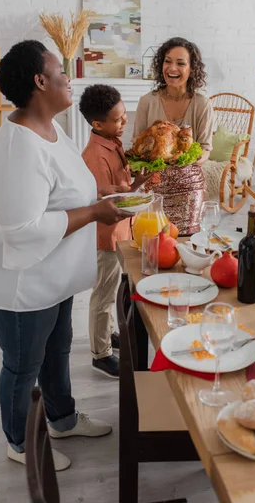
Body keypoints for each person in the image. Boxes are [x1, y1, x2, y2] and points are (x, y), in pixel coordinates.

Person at [0, 41, 134, 471]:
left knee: (57, 348)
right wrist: (95, 212)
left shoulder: (54, 130)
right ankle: (20, 442)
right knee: (23, 364)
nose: (70, 79)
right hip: (22, 282)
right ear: (39, 81)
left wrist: (111, 196)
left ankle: (62, 419)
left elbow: (71, 189)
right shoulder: (18, 148)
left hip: (54, 275)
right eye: (61, 72)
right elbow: (22, 230)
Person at [79, 85, 149, 378]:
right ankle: (100, 353)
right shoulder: (94, 156)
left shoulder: (113, 142)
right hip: (106, 236)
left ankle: (108, 334)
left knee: (118, 286)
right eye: (119, 119)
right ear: (98, 124)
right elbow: (104, 200)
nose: (125, 123)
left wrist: (138, 182)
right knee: (104, 294)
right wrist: (129, 192)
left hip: (122, 230)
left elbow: (123, 189)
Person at [132, 36, 214, 235]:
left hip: (188, 186)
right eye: (167, 61)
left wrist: (184, 161)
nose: (172, 68)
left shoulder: (202, 104)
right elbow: (136, 145)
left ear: (192, 69)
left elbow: (205, 148)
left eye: (180, 63)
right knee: (151, 238)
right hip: (154, 184)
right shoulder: (147, 102)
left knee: (186, 239)